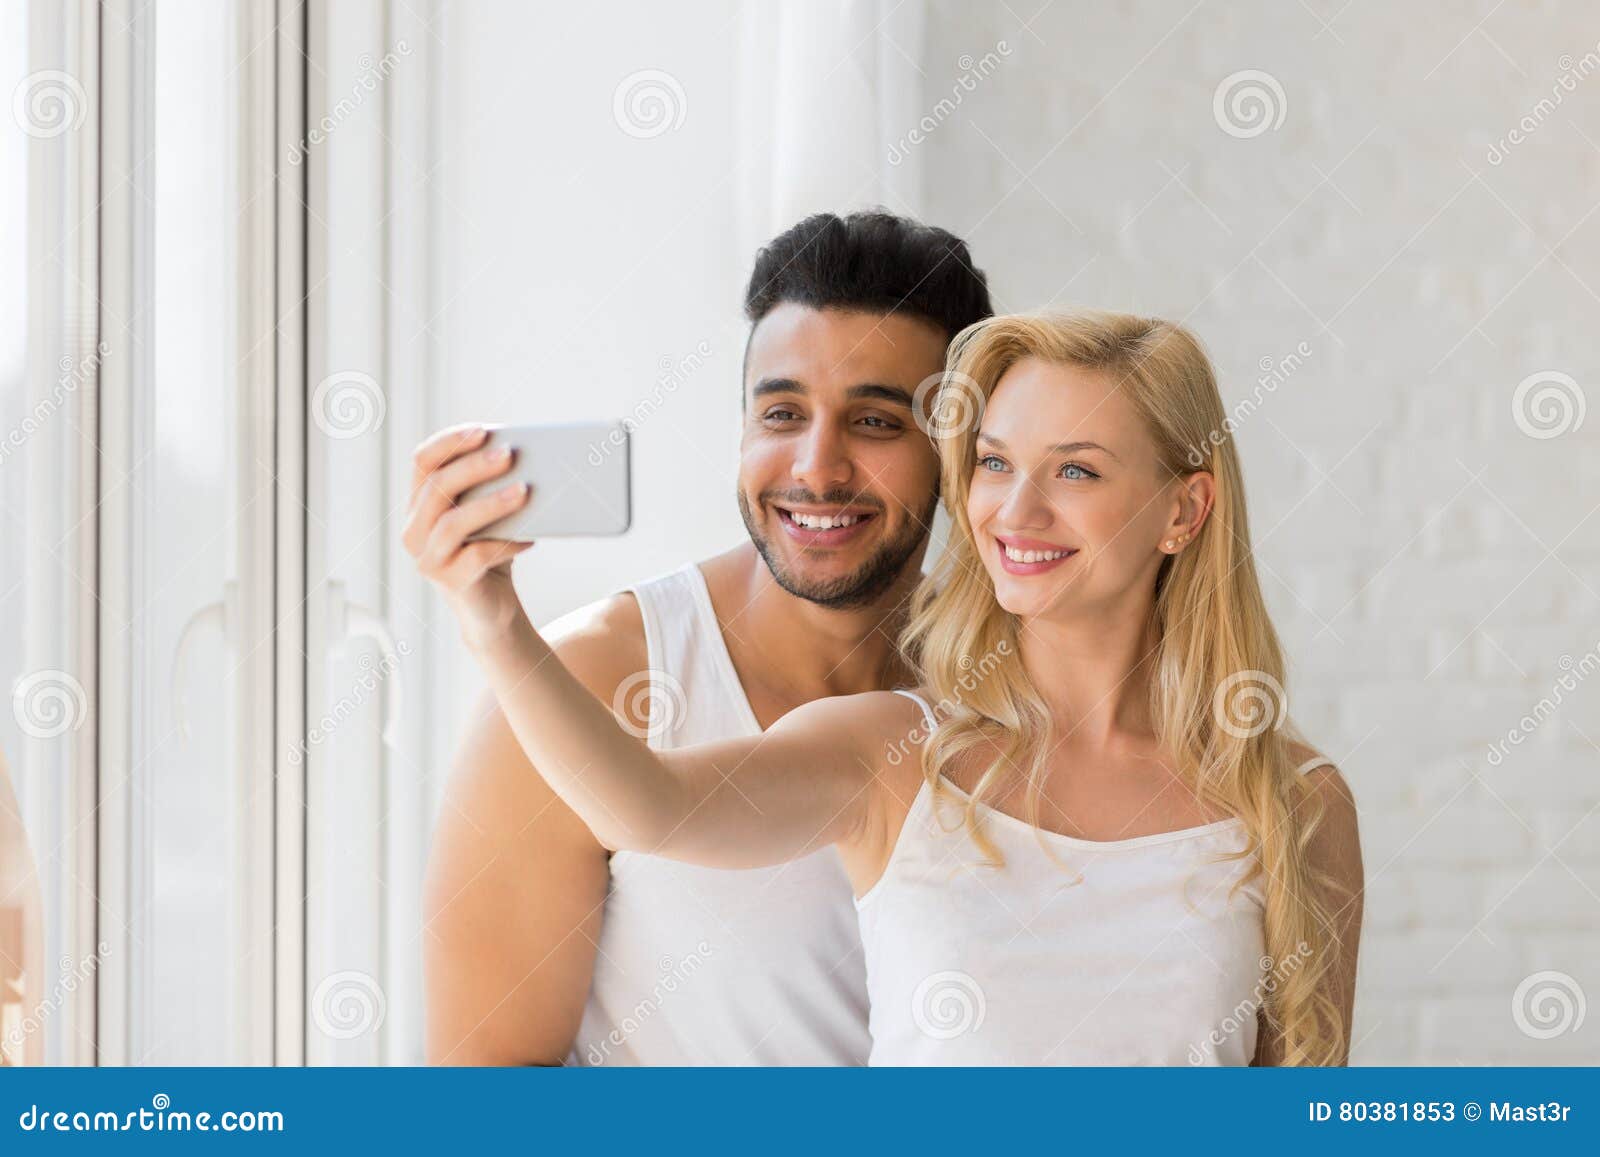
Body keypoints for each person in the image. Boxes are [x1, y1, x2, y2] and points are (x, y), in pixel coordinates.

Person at [411, 307, 1365, 1066]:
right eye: (995, 463)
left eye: (1074, 469)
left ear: (1183, 510)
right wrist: (493, 620)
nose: (1015, 509)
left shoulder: (1295, 803)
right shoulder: (890, 753)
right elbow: (651, 807)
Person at [416, 211, 993, 1064]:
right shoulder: (581, 686)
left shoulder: (1008, 686)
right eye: (783, 414)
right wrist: (494, 622)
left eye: (874, 422)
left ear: (961, 447)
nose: (817, 468)